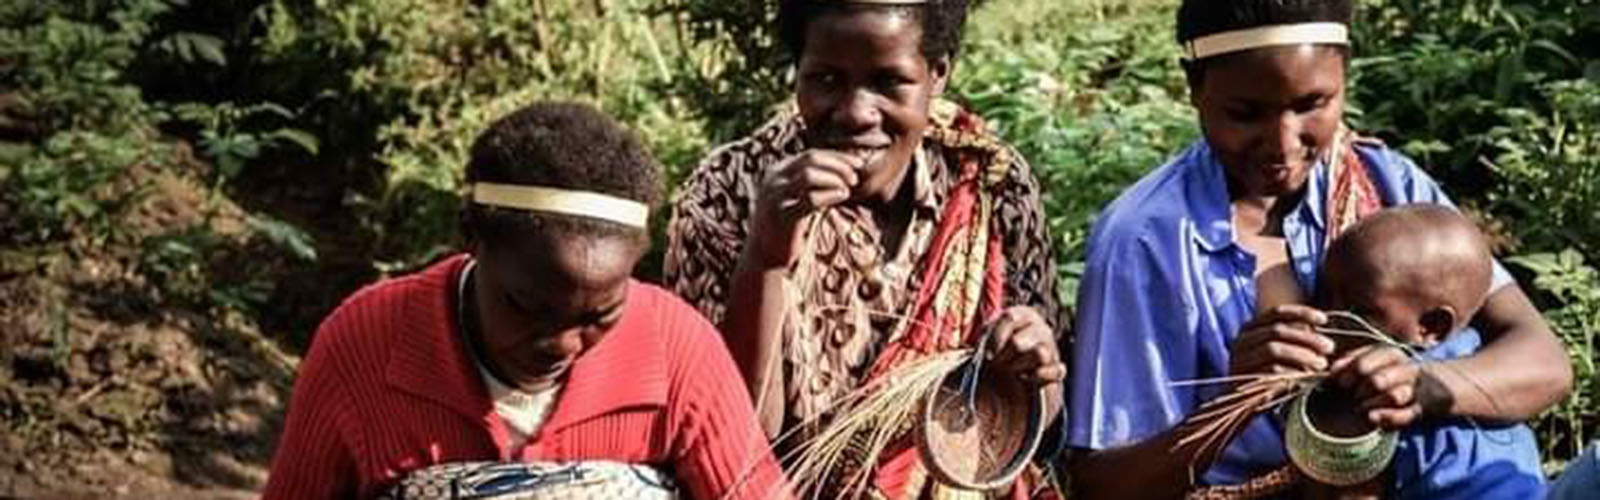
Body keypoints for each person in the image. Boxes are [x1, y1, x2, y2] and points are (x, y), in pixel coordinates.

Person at [1065, 0, 1572, 498]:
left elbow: (1545, 364)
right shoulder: (1145, 241)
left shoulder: (1387, 183)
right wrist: (1233, 406)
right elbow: (1103, 484)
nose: (1283, 144)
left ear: (1345, 79)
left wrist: (1419, 385)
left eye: (1313, 105)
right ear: (1194, 86)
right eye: (1245, 114)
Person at [263, 102, 790, 499]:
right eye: (525, 307)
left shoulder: (676, 349)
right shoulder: (365, 346)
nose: (560, 344)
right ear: (471, 234)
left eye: (598, 316)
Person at [664, 0, 1068, 497]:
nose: (856, 113)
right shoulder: (728, 193)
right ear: (798, 74)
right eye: (826, 80)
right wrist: (766, 255)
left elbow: (1039, 423)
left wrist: (1037, 373)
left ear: (936, 74)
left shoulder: (989, 184)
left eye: (888, 81)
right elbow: (730, 446)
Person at [1308, 205, 1545, 499]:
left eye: (1358, 310)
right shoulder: (1480, 360)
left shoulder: (1384, 389)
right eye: (1326, 296)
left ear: (1431, 326)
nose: (1330, 316)